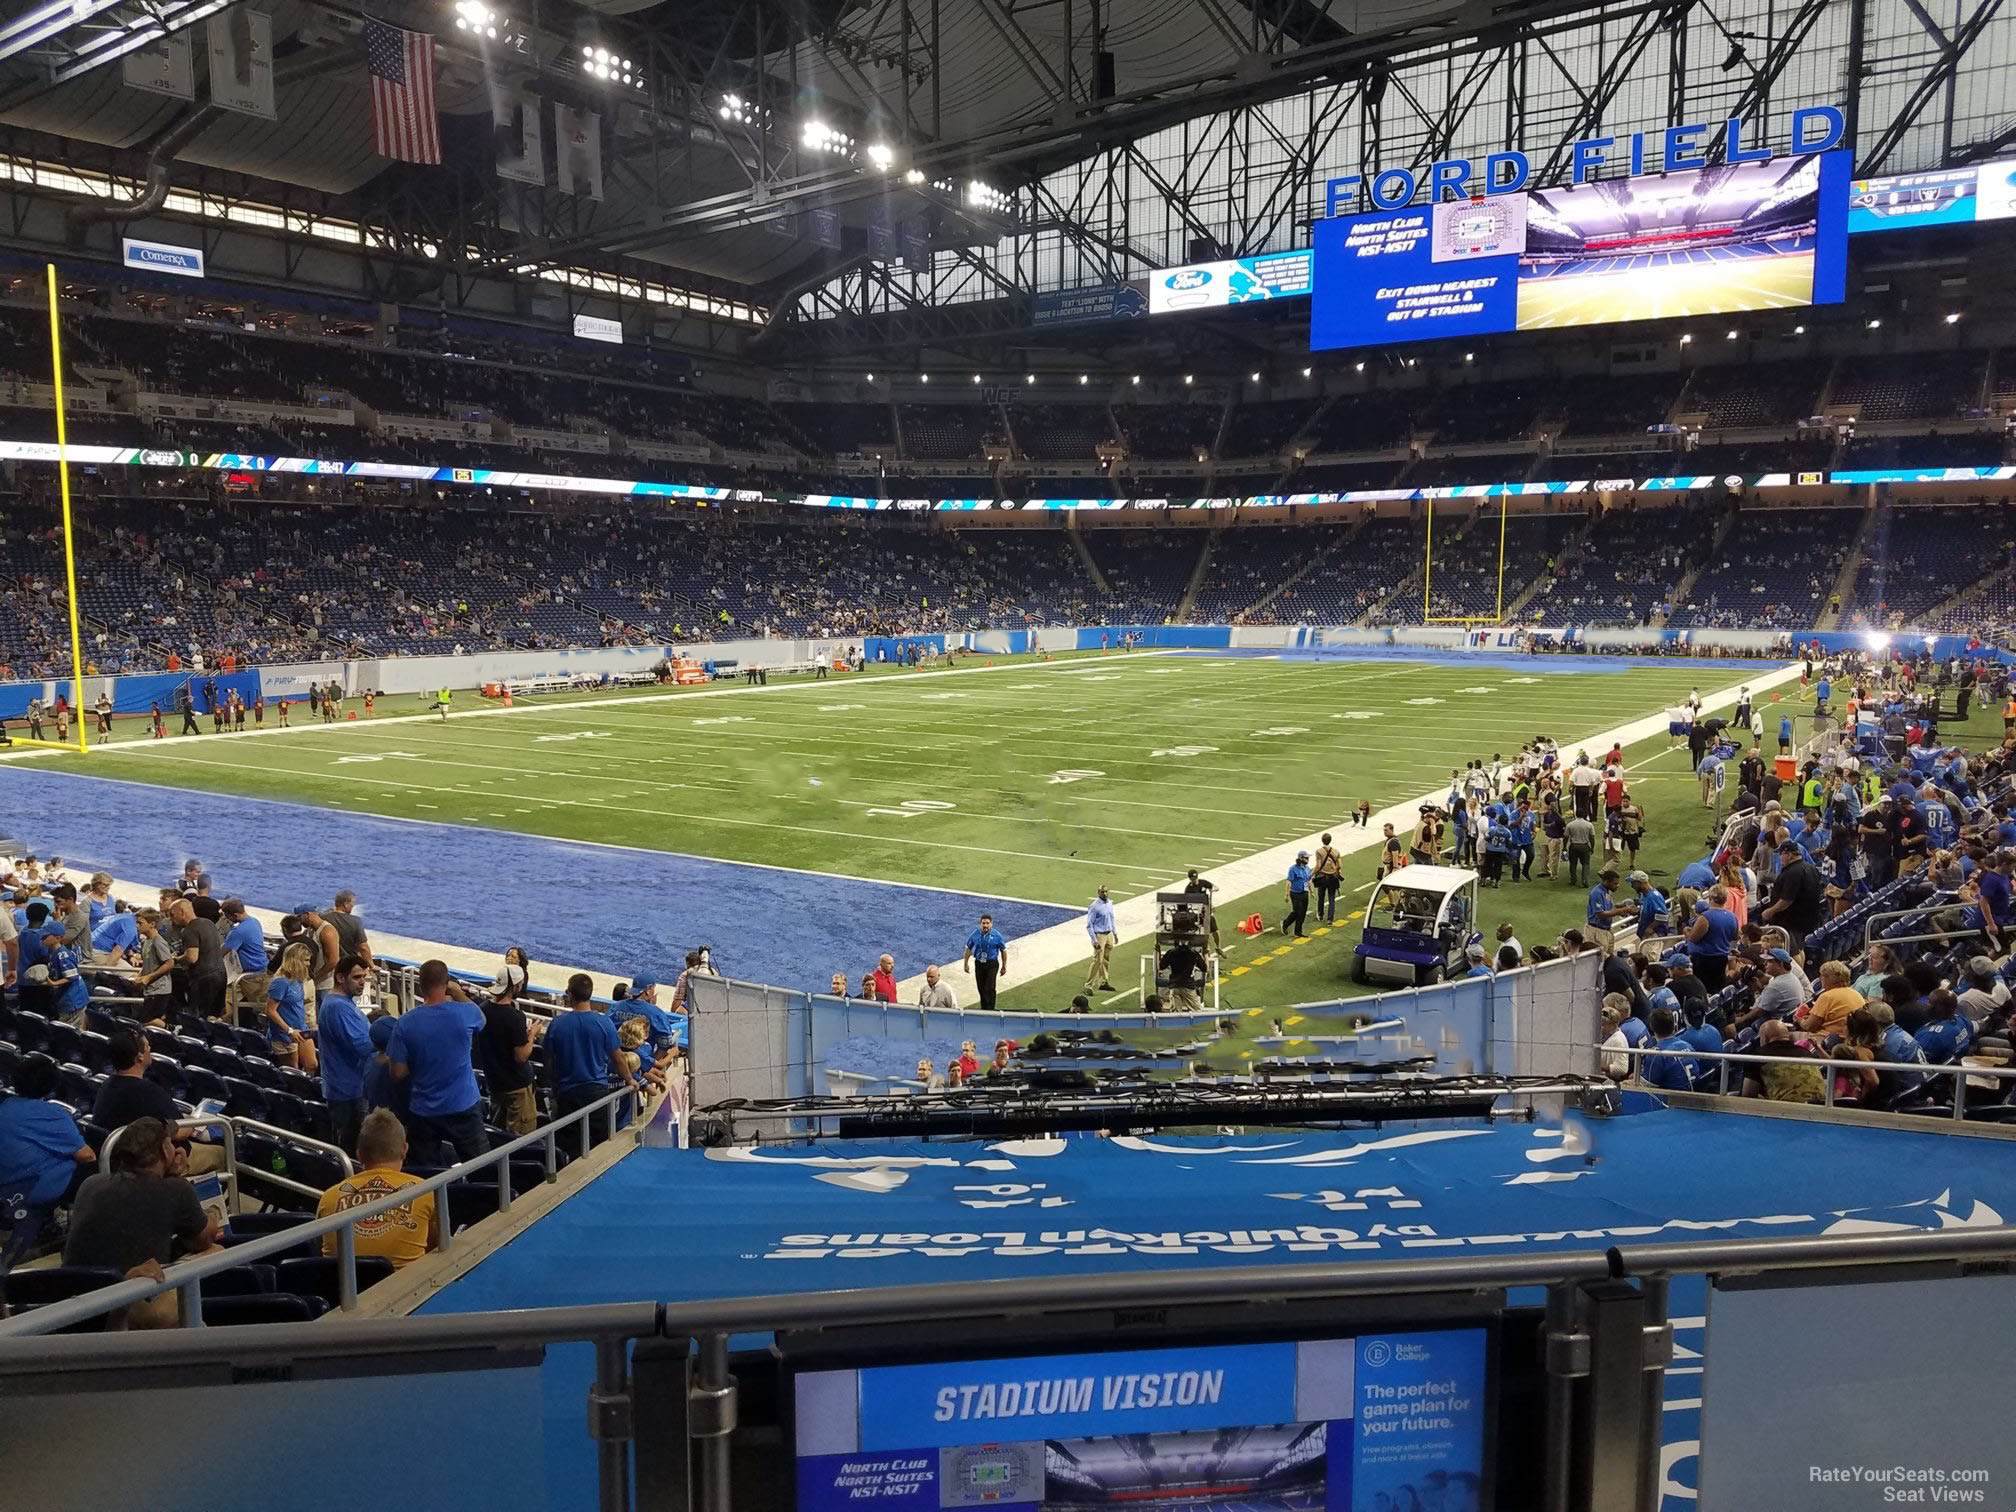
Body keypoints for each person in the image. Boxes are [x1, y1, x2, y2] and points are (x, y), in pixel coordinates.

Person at [63, 1115, 223, 1325]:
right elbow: (202, 1240)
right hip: (127, 1304)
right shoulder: (174, 1189)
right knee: (217, 1251)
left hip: (73, 1299)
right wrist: (211, 1213)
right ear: (165, 1150)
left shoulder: (91, 1184)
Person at [386, 959, 490, 1165]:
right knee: (481, 1166)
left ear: (420, 985)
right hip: (463, 1105)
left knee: (427, 1174)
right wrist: (458, 992)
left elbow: (397, 1073)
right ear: (446, 983)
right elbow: (481, 1018)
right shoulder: (463, 1014)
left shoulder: (405, 1023)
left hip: (424, 1110)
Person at [315, 1109, 439, 1270]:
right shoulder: (425, 1190)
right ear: (404, 1150)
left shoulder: (328, 1197)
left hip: (340, 1291)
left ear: (359, 1155)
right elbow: (438, 1246)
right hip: (409, 1291)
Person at [91, 1031, 227, 1174]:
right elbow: (181, 1131)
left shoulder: (105, 1087)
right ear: (140, 1056)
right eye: (148, 1047)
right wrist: (193, 1123)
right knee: (221, 1153)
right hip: (151, 1162)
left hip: (118, 1160)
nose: (151, 1050)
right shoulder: (148, 1091)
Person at [0, 1055, 95, 1224]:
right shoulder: (52, 1114)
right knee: (94, 1167)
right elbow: (87, 1156)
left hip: (7, 1182)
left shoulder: (6, 1105)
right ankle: (77, 1221)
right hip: (28, 1189)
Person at [545, 972, 627, 1125]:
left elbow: (549, 1060)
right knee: (600, 1142)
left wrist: (554, 1085)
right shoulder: (604, 1023)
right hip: (596, 1092)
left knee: (570, 1143)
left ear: (570, 994)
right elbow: (619, 1058)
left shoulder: (557, 1024)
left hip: (567, 1092)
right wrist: (630, 1080)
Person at [317, 956, 375, 1154]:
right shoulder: (339, 1008)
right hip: (349, 1092)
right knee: (355, 1150)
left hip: (346, 1087)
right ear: (340, 978)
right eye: (357, 977)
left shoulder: (339, 1004)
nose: (362, 982)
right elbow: (364, 1046)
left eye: (364, 978)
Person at [478, 969, 538, 1136]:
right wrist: (532, 1035)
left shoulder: (482, 1010)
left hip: (496, 1086)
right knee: (520, 1141)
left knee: (498, 1136)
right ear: (517, 985)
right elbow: (521, 1056)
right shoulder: (515, 1016)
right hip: (516, 1090)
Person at [1762, 840, 1825, 959]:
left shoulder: (1792, 872)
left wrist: (1770, 911)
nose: (1780, 857)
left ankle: (1798, 975)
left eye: (1781, 854)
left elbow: (1786, 900)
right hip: (1805, 918)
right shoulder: (1810, 867)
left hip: (1790, 920)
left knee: (1792, 952)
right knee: (1799, 949)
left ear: (1789, 855)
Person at [168, 896, 227, 1019]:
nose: (171, 919)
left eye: (172, 915)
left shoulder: (189, 930)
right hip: (221, 974)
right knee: (213, 1015)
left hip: (204, 978)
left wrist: (175, 959)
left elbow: (192, 957)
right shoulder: (209, 923)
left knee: (198, 1017)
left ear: (182, 912)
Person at [263, 942, 317, 1071]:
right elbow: (270, 1011)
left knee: (312, 1064)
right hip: (285, 1034)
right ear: (296, 960)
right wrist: (289, 1030)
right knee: (293, 1071)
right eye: (306, 960)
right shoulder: (280, 982)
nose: (308, 964)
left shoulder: (298, 979)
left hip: (302, 1029)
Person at [219, 898, 270, 1022]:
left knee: (266, 1009)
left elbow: (222, 952)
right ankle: (221, 1023)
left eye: (227, 916)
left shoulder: (238, 932)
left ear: (235, 915)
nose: (227, 920)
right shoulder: (254, 922)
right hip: (256, 971)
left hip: (252, 977)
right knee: (227, 997)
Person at [1795, 959, 1863, 1039]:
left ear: (1829, 978)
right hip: (1850, 1038)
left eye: (1822, 975)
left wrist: (1798, 1019)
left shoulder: (1827, 996)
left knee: (1785, 1035)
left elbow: (1809, 1027)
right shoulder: (1855, 993)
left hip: (1829, 1040)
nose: (1820, 978)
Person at [1640, 1008, 1702, 1093]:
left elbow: (1646, 1086)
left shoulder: (1655, 1055)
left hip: (1672, 1099)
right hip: (1695, 1094)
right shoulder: (1688, 1046)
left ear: (1651, 1027)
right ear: (1673, 1025)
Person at [963, 914, 1008, 1010]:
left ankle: (990, 1009)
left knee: (989, 987)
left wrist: (1004, 966)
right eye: (983, 923)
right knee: (981, 988)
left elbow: (1003, 950)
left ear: (991, 924)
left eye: (987, 923)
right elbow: (968, 948)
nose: (985, 925)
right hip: (979, 964)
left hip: (992, 964)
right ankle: (984, 1009)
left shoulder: (997, 935)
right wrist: (965, 963)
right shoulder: (975, 934)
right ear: (980, 924)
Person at [1586, 867, 1628, 953]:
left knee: (1609, 959)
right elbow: (1600, 914)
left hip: (1607, 930)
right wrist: (1620, 911)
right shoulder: (1597, 893)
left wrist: (1620, 912)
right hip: (1597, 931)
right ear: (1606, 881)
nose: (1617, 886)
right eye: (1615, 884)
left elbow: (1608, 909)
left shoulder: (1607, 891)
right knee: (1600, 961)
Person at [1084, 885, 1118, 991]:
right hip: (1100, 935)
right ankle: (1088, 985)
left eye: (1106, 891)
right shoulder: (1094, 906)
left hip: (1109, 934)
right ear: (1098, 893)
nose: (1105, 894)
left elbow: (1111, 919)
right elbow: (1089, 925)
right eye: (1103, 892)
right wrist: (1094, 940)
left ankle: (1103, 982)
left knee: (1106, 959)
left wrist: (1115, 933)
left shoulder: (1109, 903)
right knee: (1097, 960)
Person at [1312, 834, 1343, 923]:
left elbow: (1318, 866)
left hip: (1322, 876)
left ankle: (1320, 915)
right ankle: (1330, 918)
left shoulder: (1319, 851)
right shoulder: (1336, 851)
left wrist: (1312, 874)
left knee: (1321, 897)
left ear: (1322, 840)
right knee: (1331, 898)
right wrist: (1335, 870)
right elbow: (1340, 866)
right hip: (1333, 877)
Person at [1280, 852, 1312, 937]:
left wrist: (1311, 891)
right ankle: (1285, 923)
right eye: (1306, 858)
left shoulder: (1307, 868)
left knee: (1303, 912)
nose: (1308, 860)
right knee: (1297, 912)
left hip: (1304, 892)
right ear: (1301, 858)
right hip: (1295, 893)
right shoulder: (1293, 869)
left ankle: (1298, 931)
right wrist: (1286, 894)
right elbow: (1289, 881)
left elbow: (1309, 881)